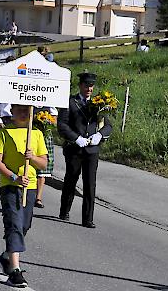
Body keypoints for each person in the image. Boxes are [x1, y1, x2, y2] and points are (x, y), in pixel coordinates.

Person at [0, 104, 48, 288]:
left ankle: (6, 257)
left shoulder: (37, 134)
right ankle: (15, 271)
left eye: (27, 110)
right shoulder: (5, 133)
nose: (24, 113)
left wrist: (31, 158)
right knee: (14, 224)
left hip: (29, 186)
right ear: (13, 112)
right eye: (20, 110)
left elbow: (43, 164)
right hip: (10, 185)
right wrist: (13, 177)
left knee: (24, 225)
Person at [58, 72, 113, 228]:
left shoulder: (98, 104)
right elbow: (62, 125)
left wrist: (100, 135)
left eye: (91, 86)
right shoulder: (70, 102)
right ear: (80, 85)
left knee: (90, 184)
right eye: (86, 85)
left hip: (92, 150)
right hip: (75, 149)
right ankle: (64, 210)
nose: (89, 89)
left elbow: (108, 126)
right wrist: (76, 138)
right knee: (71, 180)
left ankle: (87, 218)